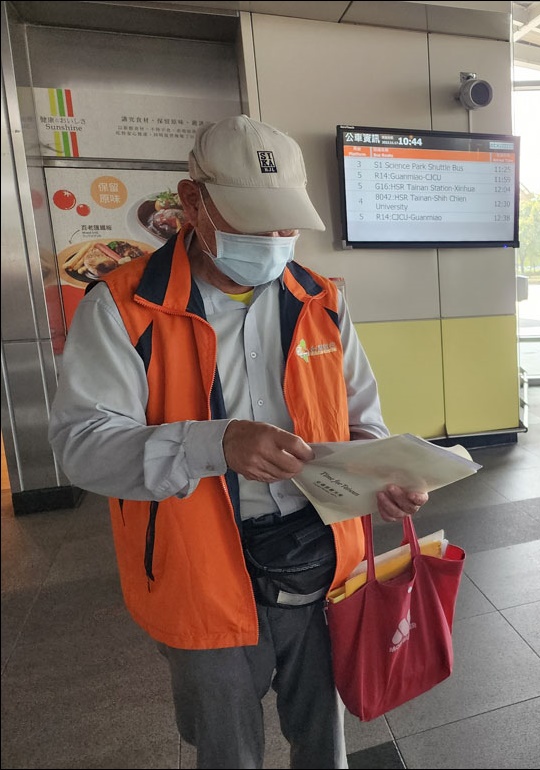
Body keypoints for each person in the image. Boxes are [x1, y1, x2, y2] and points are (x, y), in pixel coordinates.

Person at [47, 114, 429, 769]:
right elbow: (82, 447)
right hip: (200, 570)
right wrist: (213, 445)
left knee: (323, 735)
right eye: (254, 223)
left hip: (321, 562)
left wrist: (382, 474)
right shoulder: (122, 306)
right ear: (192, 202)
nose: (276, 242)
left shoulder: (320, 300)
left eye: (286, 225)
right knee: (227, 748)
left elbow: (361, 420)